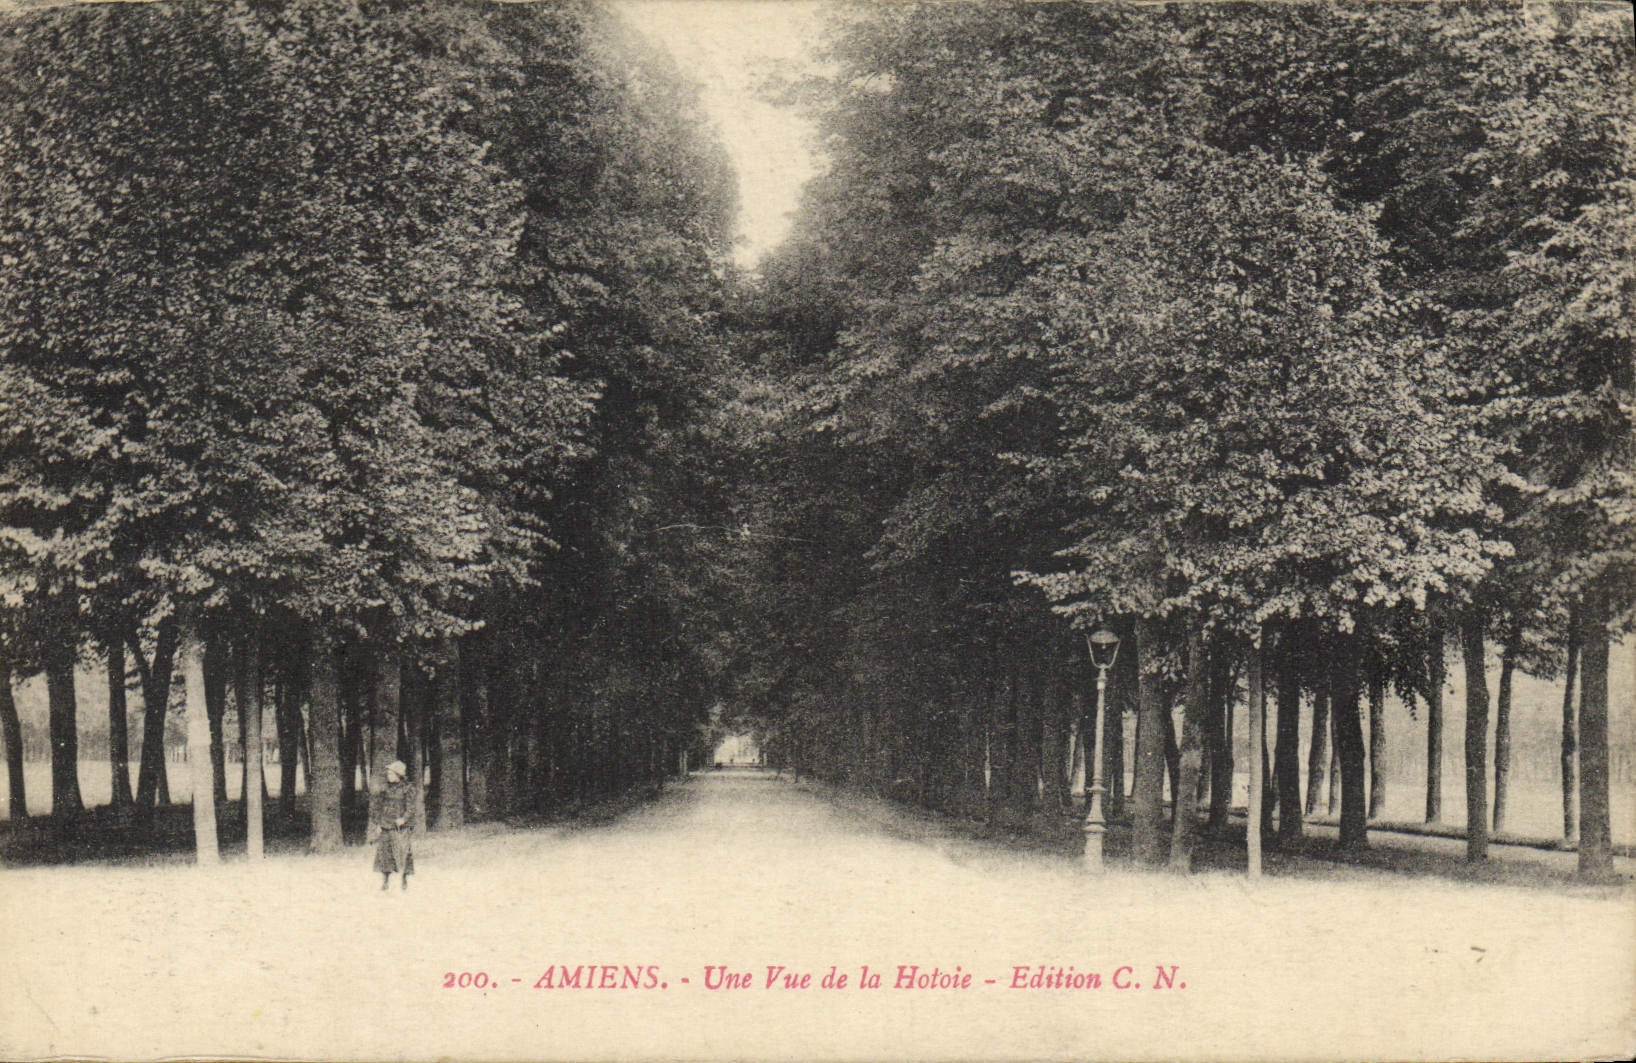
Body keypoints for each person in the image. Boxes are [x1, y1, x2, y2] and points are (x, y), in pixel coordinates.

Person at [370, 760, 415, 891]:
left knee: (403, 852)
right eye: (388, 773)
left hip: (400, 826)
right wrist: (378, 823)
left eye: (391, 773)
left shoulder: (408, 788)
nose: (388, 775)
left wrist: (403, 819)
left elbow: (411, 808)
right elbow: (379, 807)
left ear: (398, 775)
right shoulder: (385, 789)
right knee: (384, 854)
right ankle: (385, 881)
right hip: (385, 824)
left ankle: (404, 879)